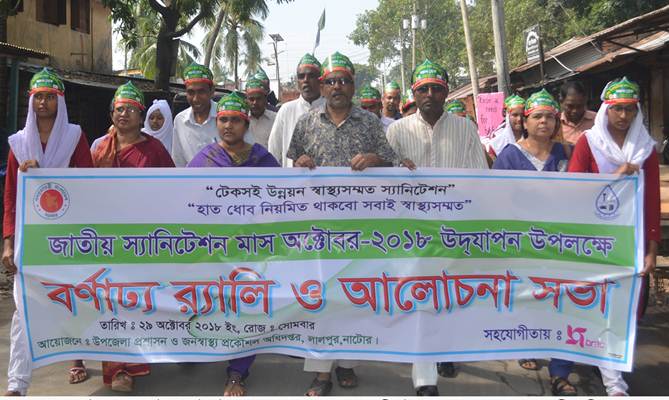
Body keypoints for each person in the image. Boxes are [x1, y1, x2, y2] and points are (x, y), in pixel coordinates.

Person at [287, 51, 397, 396]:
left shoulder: (370, 122)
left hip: (359, 227)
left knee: (352, 296)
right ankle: (321, 372)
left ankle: (348, 363)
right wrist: (301, 163)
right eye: (331, 81)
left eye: (344, 81)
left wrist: (374, 159)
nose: (337, 86)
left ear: (353, 86)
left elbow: (390, 162)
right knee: (319, 297)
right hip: (317, 227)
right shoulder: (306, 122)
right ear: (323, 86)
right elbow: (293, 164)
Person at [386, 59, 488, 396]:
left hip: (453, 229)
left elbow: (479, 179)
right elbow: (386, 183)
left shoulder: (465, 129)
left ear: (446, 93)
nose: (430, 94)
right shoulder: (397, 131)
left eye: (437, 88)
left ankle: (447, 351)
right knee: (421, 300)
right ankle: (425, 378)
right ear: (414, 94)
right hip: (412, 232)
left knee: (450, 296)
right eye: (423, 89)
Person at [2, 68, 94, 396]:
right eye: (38, 97)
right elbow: (11, 197)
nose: (43, 102)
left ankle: (76, 358)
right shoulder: (18, 144)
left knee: (74, 299)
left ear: (60, 101)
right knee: (23, 309)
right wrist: (8, 242)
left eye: (49, 97)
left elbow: (88, 183)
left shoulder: (74, 137)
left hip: (68, 236)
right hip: (31, 238)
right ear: (31, 102)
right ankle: (17, 384)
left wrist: (47, 177)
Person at [568, 77, 659, 396]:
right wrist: (615, 177)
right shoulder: (589, 143)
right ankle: (613, 381)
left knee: (626, 309)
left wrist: (652, 248)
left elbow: (651, 202)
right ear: (606, 109)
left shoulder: (646, 149)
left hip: (632, 241)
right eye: (617, 109)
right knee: (599, 307)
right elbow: (572, 189)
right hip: (595, 240)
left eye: (630, 110)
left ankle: (614, 371)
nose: (623, 116)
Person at [187, 92, 278, 395]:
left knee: (245, 306)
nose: (228, 125)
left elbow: (282, 199)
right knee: (209, 302)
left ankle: (238, 371)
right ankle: (197, 350)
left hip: (251, 250)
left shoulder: (263, 160)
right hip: (212, 249)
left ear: (246, 124)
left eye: (235, 120)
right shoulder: (204, 159)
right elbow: (183, 198)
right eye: (223, 119)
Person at [91, 82, 174, 391]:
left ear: (141, 116)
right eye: (119, 109)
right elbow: (81, 185)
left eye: (130, 109)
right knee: (109, 301)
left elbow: (174, 188)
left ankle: (136, 361)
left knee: (136, 300)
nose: (123, 114)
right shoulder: (99, 147)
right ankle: (118, 370)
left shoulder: (154, 149)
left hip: (142, 238)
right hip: (105, 237)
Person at [172, 63, 253, 167]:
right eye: (191, 92)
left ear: (212, 91)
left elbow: (249, 154)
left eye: (201, 92)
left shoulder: (230, 117)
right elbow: (178, 161)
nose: (196, 98)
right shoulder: (180, 120)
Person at [267, 53, 325, 167]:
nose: (306, 80)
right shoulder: (286, 110)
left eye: (311, 76)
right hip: (292, 177)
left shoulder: (331, 109)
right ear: (297, 81)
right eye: (301, 76)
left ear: (320, 80)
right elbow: (274, 150)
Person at [486, 94, 526, 159]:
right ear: (507, 115)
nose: (519, 119)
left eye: (522, 115)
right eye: (515, 115)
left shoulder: (535, 138)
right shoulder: (496, 144)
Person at [558, 81, 595, 145]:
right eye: (570, 106)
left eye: (579, 106)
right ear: (561, 102)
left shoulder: (597, 121)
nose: (575, 111)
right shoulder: (555, 124)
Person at [245, 77, 277, 149]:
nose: (255, 103)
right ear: (246, 100)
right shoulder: (241, 120)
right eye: (251, 99)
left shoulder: (275, 119)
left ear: (265, 99)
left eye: (259, 98)